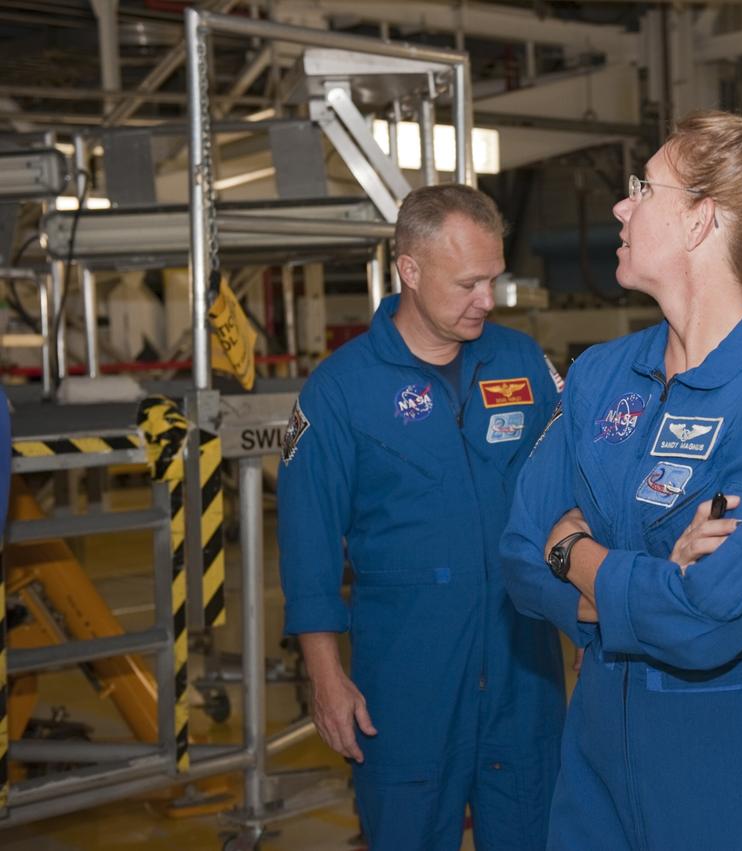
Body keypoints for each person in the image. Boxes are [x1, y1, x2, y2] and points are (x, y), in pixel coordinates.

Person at [500, 111, 742, 848]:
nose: (620, 206)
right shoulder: (603, 375)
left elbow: (710, 619)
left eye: (643, 188)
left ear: (702, 222)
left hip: (734, 772)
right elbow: (515, 550)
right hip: (597, 767)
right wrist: (639, 591)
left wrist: (577, 554)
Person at [277, 185, 566, 851]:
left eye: (493, 279)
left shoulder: (521, 365)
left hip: (524, 672)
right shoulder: (341, 390)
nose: (487, 301)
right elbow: (309, 542)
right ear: (410, 270)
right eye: (469, 283)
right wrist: (325, 674)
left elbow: (571, 488)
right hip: (406, 681)